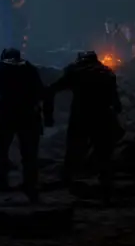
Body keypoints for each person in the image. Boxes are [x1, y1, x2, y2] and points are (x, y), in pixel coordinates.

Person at [45, 51, 122, 202]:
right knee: (103, 150)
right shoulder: (106, 73)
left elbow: (52, 89)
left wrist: (48, 115)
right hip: (102, 115)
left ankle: (68, 179)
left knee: (74, 146)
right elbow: (115, 100)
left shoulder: (76, 72)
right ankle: (105, 183)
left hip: (81, 115)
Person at [0, 48, 46, 203]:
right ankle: (30, 183)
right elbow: (41, 92)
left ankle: (3, 182)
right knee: (29, 151)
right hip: (27, 113)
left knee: (2, 149)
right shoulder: (29, 68)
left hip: (6, 113)